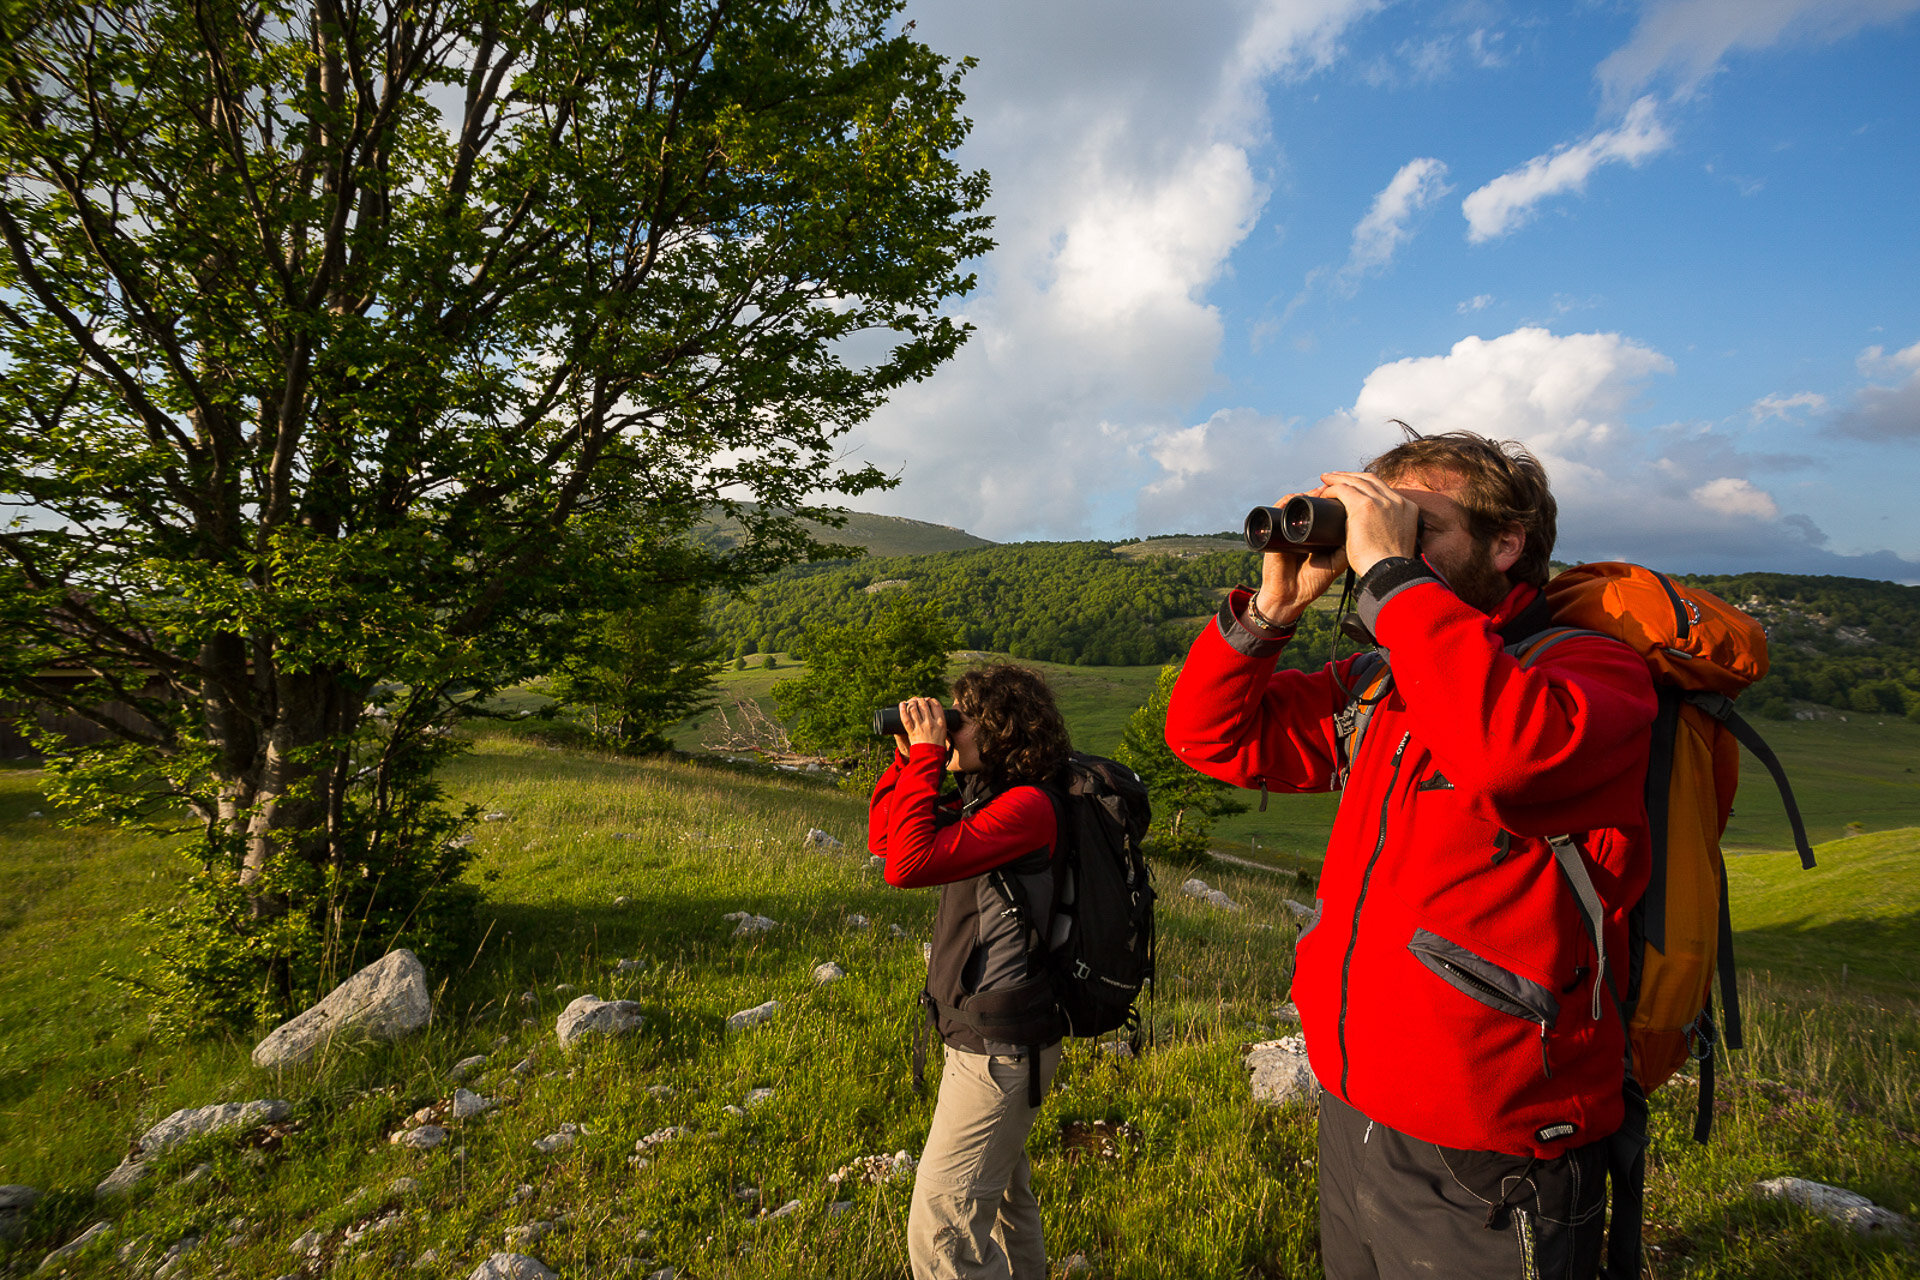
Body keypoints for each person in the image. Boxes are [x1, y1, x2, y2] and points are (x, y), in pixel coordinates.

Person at [1164, 428, 1657, 1279]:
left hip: (1492, 1145)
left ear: (1507, 545)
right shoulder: (1383, 681)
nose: (1383, 543)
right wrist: (1272, 612)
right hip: (1357, 1106)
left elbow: (1505, 750)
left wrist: (1395, 579)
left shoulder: (1590, 674)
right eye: (1380, 524)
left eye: (1416, 525)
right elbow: (1210, 737)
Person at [869, 663, 1073, 1280]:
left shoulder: (1028, 809)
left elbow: (906, 866)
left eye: (962, 718)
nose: (949, 729)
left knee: (942, 1226)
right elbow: (887, 839)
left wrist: (931, 758)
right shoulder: (990, 800)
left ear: (1003, 733)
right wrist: (911, 763)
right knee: (1007, 1205)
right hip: (991, 1039)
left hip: (999, 1050)